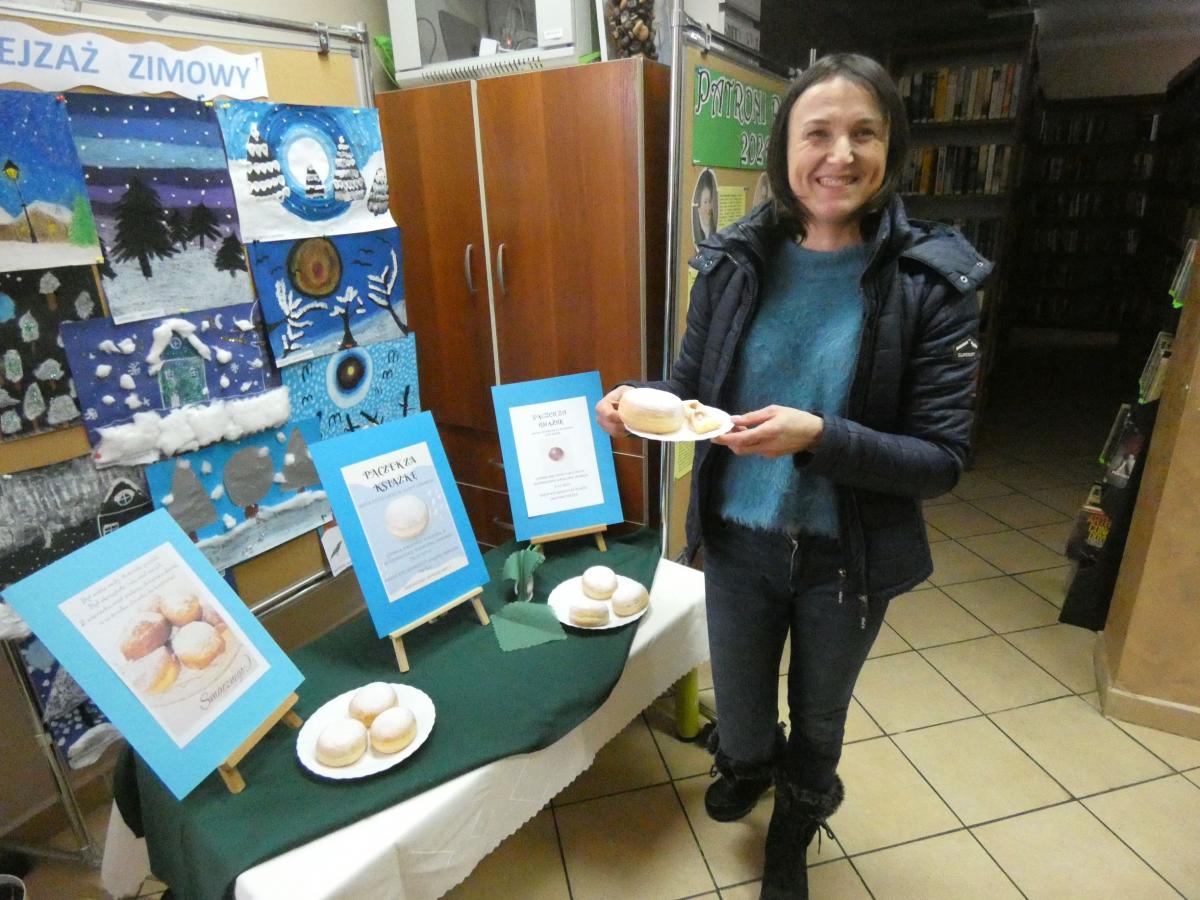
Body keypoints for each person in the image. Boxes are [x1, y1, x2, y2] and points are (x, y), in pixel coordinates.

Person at [596, 53, 988, 899]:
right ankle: (746, 764)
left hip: (846, 557)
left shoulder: (932, 282)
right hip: (738, 541)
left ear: (892, 148)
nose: (840, 155)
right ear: (784, 149)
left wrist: (820, 437)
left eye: (864, 134)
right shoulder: (736, 260)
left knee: (818, 713)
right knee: (740, 709)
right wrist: (641, 403)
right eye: (818, 133)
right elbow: (692, 389)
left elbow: (941, 460)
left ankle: (795, 827)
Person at [692, 169, 718, 248]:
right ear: (698, 206)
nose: (709, 207)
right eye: (705, 202)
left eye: (710, 201)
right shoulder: (696, 229)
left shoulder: (714, 226)